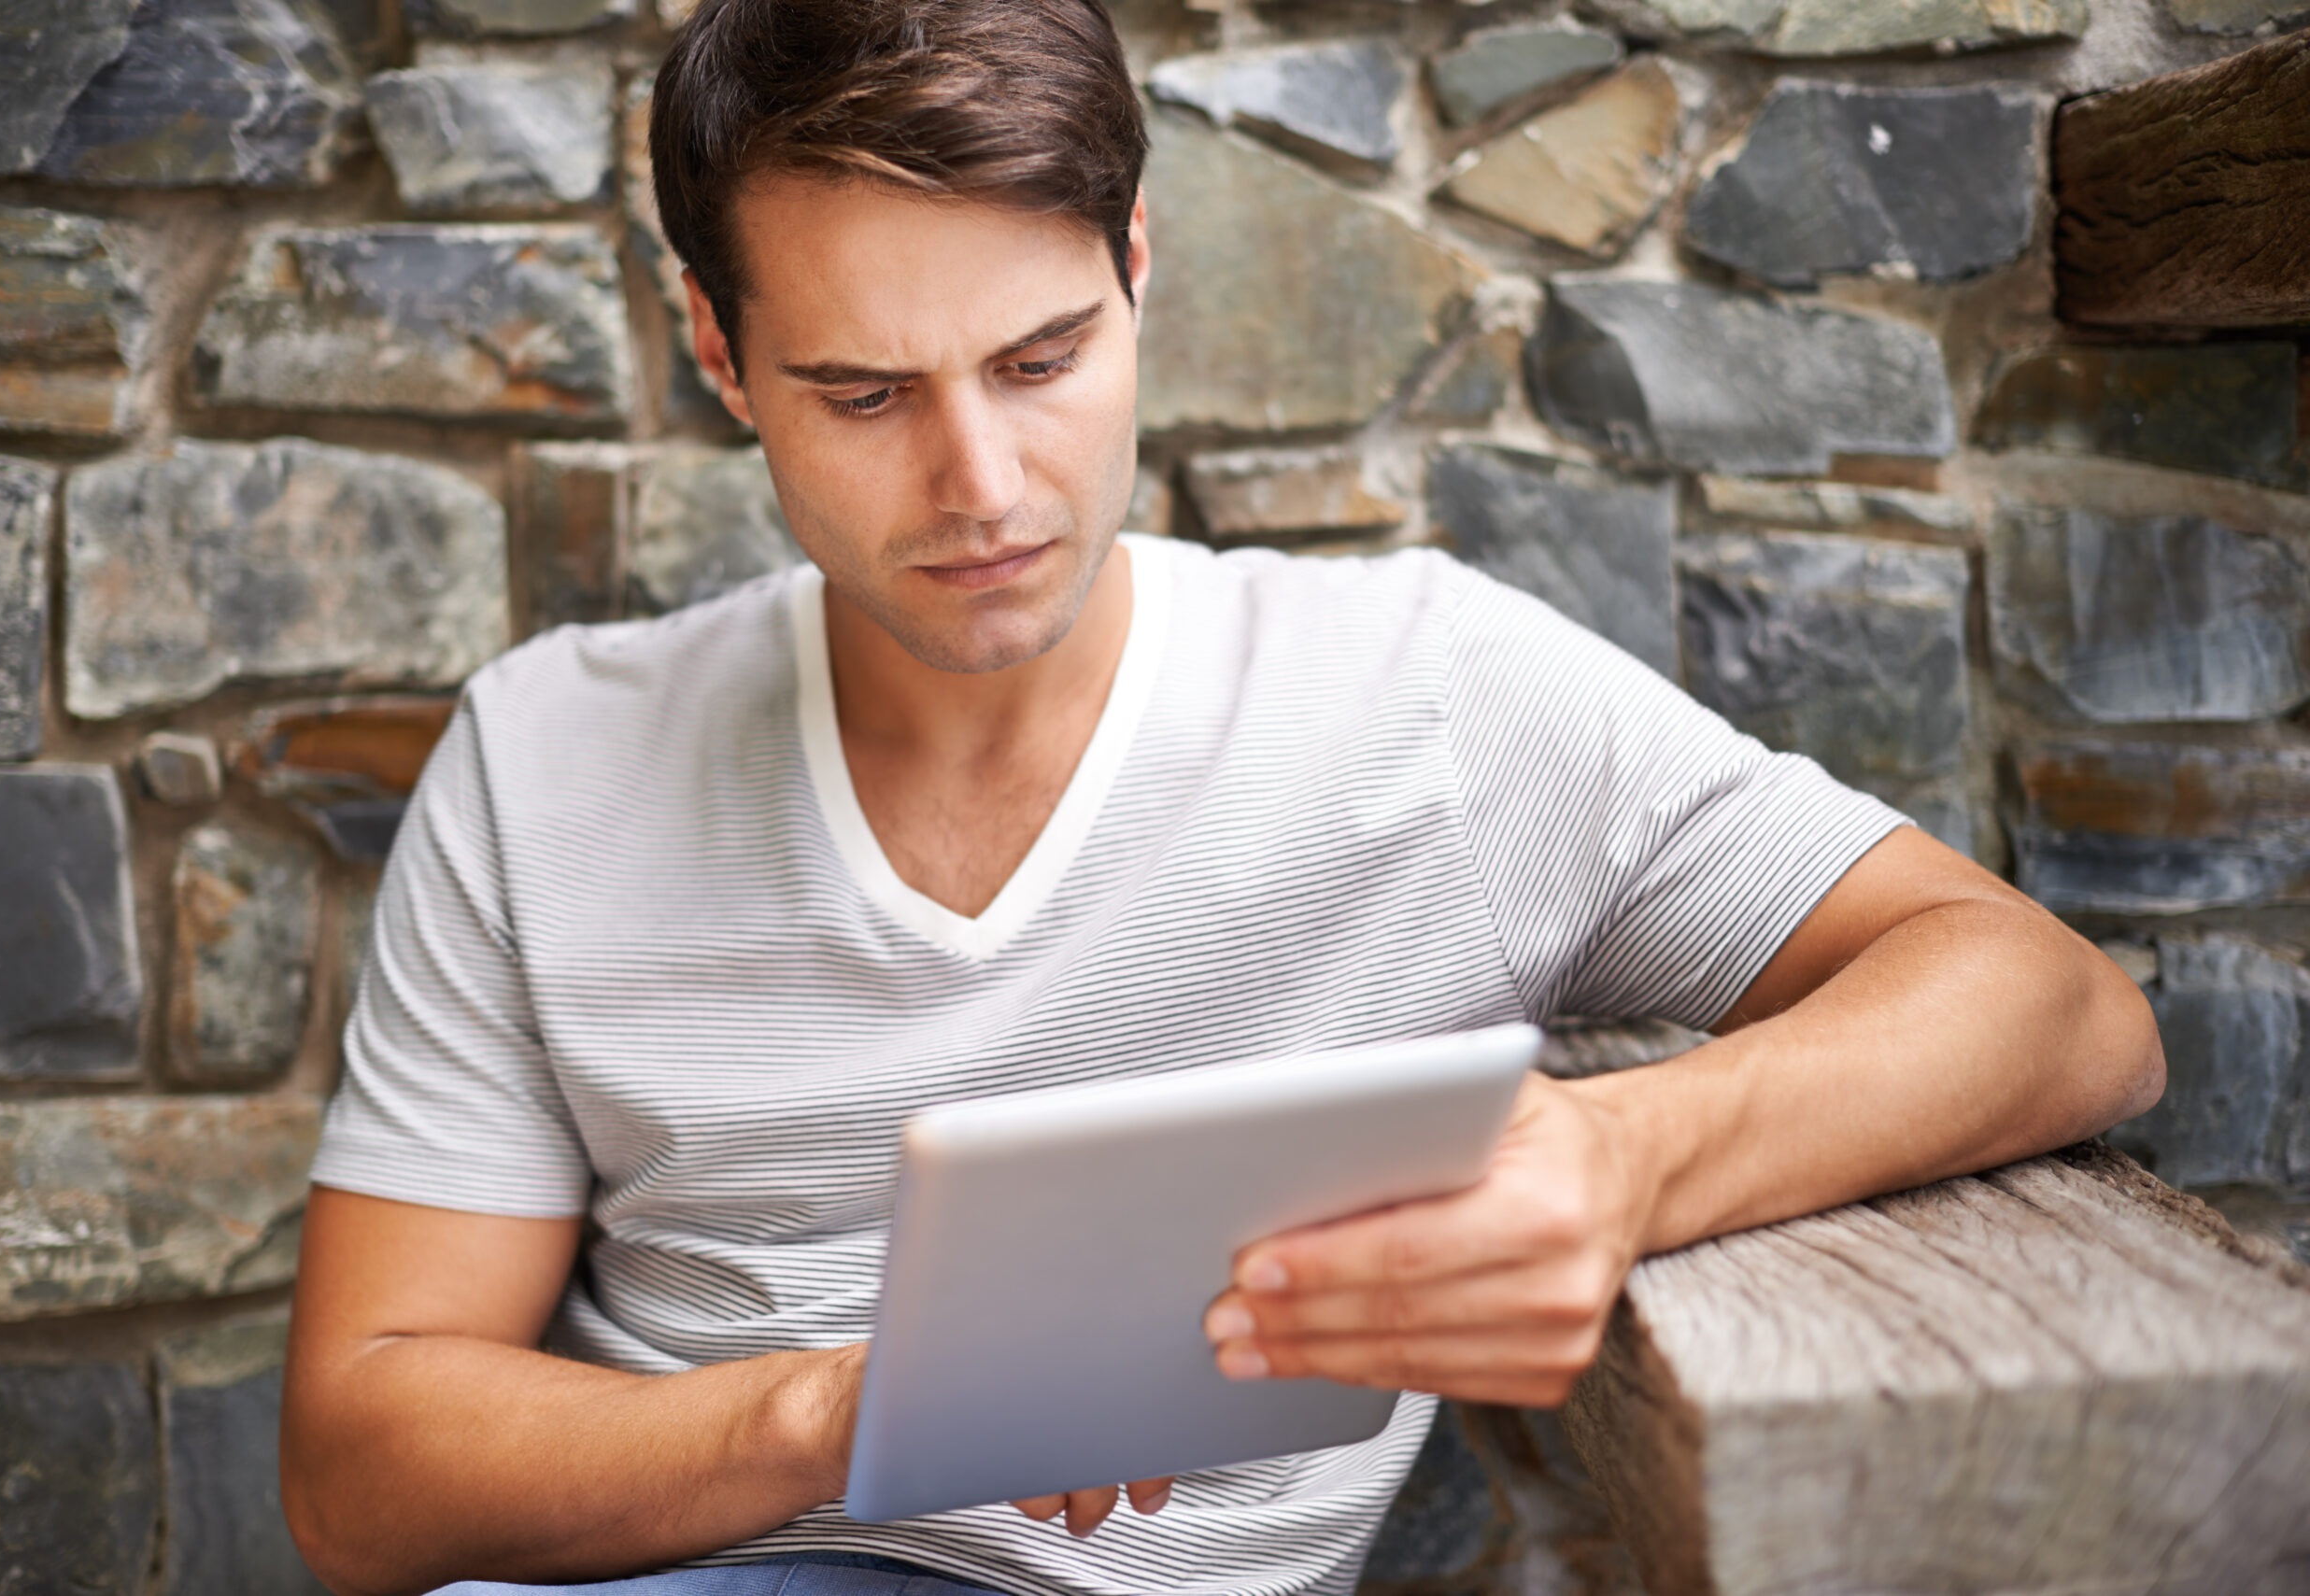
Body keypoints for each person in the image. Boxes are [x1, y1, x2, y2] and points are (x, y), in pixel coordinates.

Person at [277, 2, 2164, 1593]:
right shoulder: (544, 753)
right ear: (717, 355)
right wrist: (846, 1415)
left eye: (1041, 360)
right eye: (861, 393)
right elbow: (361, 1473)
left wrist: (1608, 1161)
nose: (982, 482)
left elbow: (2054, 1006)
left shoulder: (1424, 696)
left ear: (1137, 272)